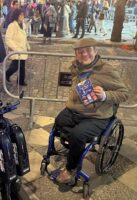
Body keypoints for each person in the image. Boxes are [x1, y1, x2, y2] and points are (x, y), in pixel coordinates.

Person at [55, 38, 128, 183]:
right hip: (75, 111)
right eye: (80, 51)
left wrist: (105, 95)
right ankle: (77, 146)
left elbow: (124, 93)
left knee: (77, 135)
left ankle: (71, 168)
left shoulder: (106, 70)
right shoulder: (76, 67)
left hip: (97, 116)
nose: (84, 54)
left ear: (95, 51)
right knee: (59, 122)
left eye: (88, 50)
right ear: (76, 54)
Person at [5, 8, 30, 86]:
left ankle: (21, 81)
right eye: (21, 15)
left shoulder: (23, 24)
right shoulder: (12, 25)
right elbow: (8, 39)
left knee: (22, 66)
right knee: (15, 66)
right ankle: (7, 74)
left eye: (23, 15)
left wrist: (27, 45)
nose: (22, 16)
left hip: (22, 49)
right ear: (17, 15)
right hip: (16, 50)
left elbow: (24, 36)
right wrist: (15, 48)